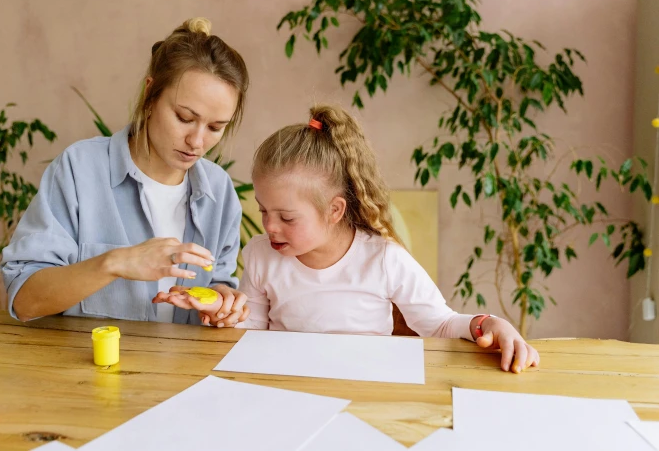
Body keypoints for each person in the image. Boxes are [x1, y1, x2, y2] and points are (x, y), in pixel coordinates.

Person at [157, 105, 540, 373]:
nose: (269, 227)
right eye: (263, 210)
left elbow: (439, 325)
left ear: (335, 211)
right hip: (283, 393)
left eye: (286, 217)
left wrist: (490, 324)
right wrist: (221, 315)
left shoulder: (383, 258)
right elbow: (252, 333)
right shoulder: (261, 255)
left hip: (365, 391)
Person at [1, 17, 251, 328]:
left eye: (215, 128)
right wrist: (116, 263)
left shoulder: (220, 191)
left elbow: (219, 283)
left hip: (190, 374)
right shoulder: (79, 170)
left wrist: (222, 302)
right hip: (88, 374)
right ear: (150, 95)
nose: (198, 142)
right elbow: (25, 300)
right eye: (184, 118)